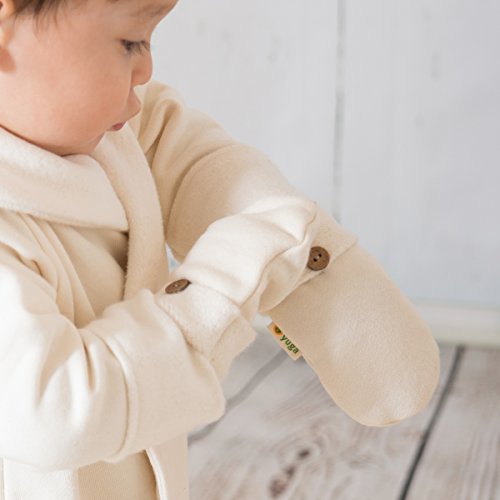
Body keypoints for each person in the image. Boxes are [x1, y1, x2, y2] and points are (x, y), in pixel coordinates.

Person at [0, 0, 440, 499]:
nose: (147, 69)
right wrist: (222, 288)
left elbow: (197, 165)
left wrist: (305, 258)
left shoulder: (102, 135)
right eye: (131, 41)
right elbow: (57, 411)